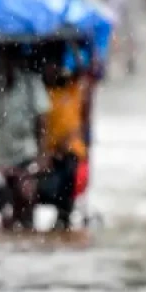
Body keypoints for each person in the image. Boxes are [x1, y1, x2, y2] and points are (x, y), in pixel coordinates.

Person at [0, 52, 50, 228]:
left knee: (25, 197)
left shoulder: (31, 84)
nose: (4, 62)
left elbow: (42, 121)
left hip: (24, 157)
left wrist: (42, 156)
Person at [39, 62, 89, 229]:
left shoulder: (72, 89)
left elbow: (83, 72)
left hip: (70, 151)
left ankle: (65, 214)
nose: (51, 71)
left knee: (69, 169)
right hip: (48, 151)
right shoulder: (42, 93)